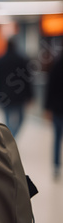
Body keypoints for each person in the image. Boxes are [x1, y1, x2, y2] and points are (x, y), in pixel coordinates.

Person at [0, 38, 33, 137]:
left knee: (7, 119)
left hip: (4, 95)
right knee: (21, 119)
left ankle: (10, 137)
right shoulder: (22, 60)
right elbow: (28, 80)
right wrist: (30, 96)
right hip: (19, 96)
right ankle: (12, 137)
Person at [44, 51, 63, 179]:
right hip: (57, 108)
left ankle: (56, 167)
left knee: (57, 138)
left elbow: (50, 88)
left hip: (57, 108)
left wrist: (47, 108)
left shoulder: (56, 64)